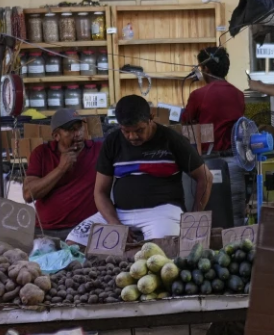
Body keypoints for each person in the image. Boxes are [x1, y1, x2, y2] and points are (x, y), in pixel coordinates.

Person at [84, 95, 212, 240]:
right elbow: (100, 192)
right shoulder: (112, 142)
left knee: (162, 250)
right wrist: (114, 223)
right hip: (119, 214)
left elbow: (205, 178)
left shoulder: (172, 140)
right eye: (126, 131)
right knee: (75, 241)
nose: (132, 136)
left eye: (139, 130)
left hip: (163, 213)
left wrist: (194, 217)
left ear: (150, 118)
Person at [24, 108, 101, 238]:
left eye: (79, 128)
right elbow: (28, 194)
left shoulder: (97, 150)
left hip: (85, 230)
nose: (77, 134)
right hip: (46, 231)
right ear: (56, 135)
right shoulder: (42, 153)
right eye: (70, 130)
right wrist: (60, 169)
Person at [182, 46, 245, 153]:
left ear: (206, 69)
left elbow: (185, 123)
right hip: (236, 155)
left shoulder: (198, 95)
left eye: (201, 69)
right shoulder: (239, 94)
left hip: (210, 159)